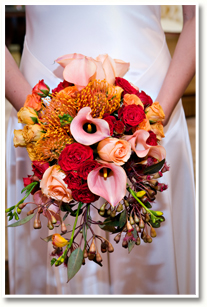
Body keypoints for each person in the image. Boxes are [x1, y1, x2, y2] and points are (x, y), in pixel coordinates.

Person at [5, 5, 196, 295]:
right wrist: (40, 118)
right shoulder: (38, 113)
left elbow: (198, 15)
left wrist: (156, 116)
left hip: (153, 95)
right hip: (37, 99)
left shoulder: (155, 111)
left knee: (147, 240)